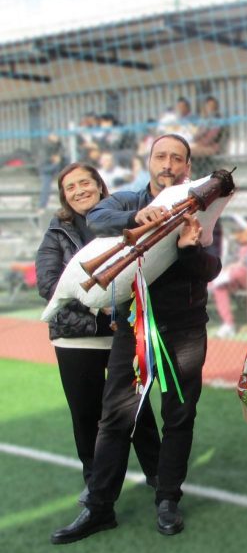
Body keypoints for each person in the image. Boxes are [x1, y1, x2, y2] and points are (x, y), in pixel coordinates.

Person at [50, 134, 222, 544]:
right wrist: (137, 217)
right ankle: (99, 507)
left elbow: (211, 269)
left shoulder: (202, 205)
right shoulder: (129, 200)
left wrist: (188, 249)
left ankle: (168, 499)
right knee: (115, 416)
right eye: (161, 156)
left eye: (176, 158)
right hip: (135, 326)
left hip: (185, 328)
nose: (168, 165)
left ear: (187, 167)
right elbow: (97, 218)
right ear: (149, 162)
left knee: (178, 416)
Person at [35, 163, 161, 504]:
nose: (79, 191)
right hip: (77, 338)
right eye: (71, 187)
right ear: (64, 196)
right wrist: (98, 307)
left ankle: (158, 475)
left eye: (85, 183)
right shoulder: (57, 233)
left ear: (99, 185)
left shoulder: (123, 220)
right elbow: (49, 284)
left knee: (138, 409)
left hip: (124, 335)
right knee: (86, 413)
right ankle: (95, 483)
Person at [191, 96, 228, 179]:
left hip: (213, 147)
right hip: (201, 146)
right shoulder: (204, 120)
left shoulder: (218, 120)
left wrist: (198, 143)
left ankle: (197, 176)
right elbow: (195, 135)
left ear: (216, 107)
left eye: (213, 106)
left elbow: (211, 137)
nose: (210, 108)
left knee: (188, 151)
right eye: (208, 106)